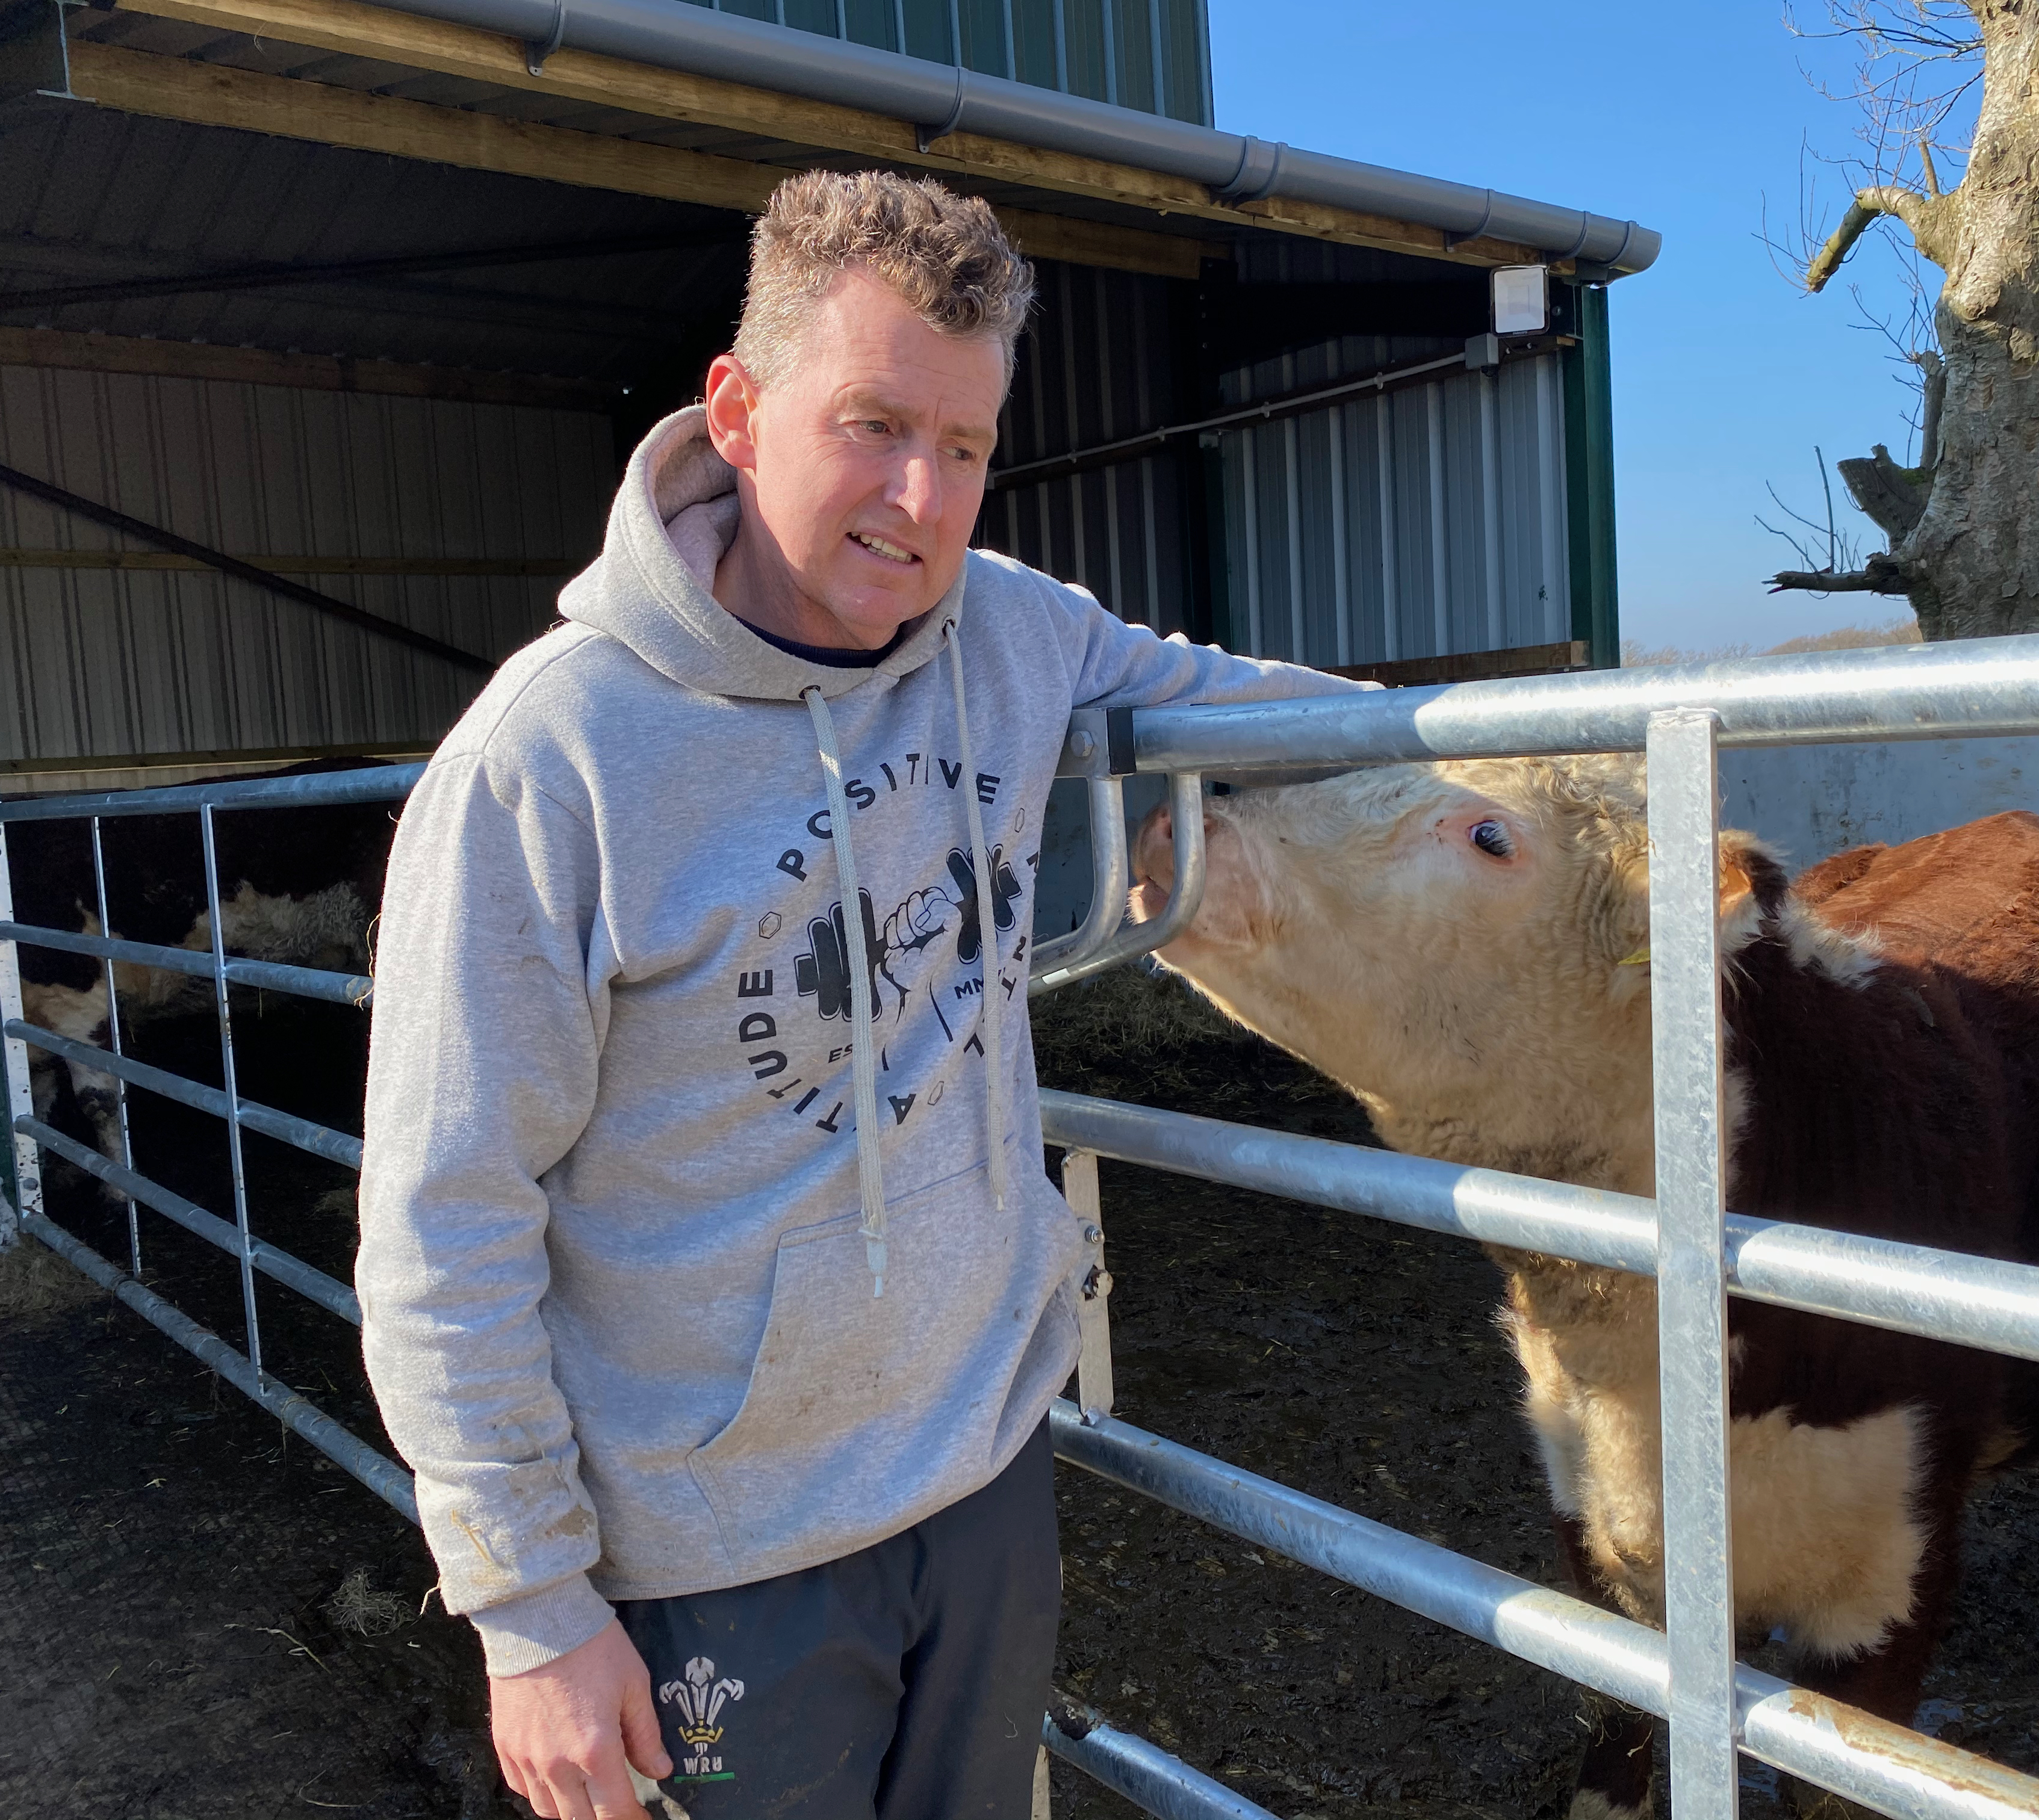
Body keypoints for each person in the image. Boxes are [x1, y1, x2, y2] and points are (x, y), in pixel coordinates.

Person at [355, 169, 1371, 1820]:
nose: (921, 497)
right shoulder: (552, 763)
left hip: (981, 1474)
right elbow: (443, 1215)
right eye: (875, 425)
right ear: (737, 412)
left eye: (966, 445)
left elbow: (1267, 711)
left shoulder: (1014, 636)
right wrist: (530, 1611)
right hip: (718, 1550)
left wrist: (1528, 766)